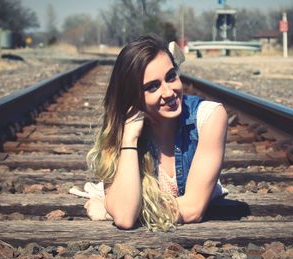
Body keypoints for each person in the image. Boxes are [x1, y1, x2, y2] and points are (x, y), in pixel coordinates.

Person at [84, 33, 228, 231]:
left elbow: (193, 209)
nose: (169, 92)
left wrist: (111, 210)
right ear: (133, 97)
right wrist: (130, 139)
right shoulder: (124, 129)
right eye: (152, 87)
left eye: (170, 77)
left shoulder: (209, 117)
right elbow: (126, 218)